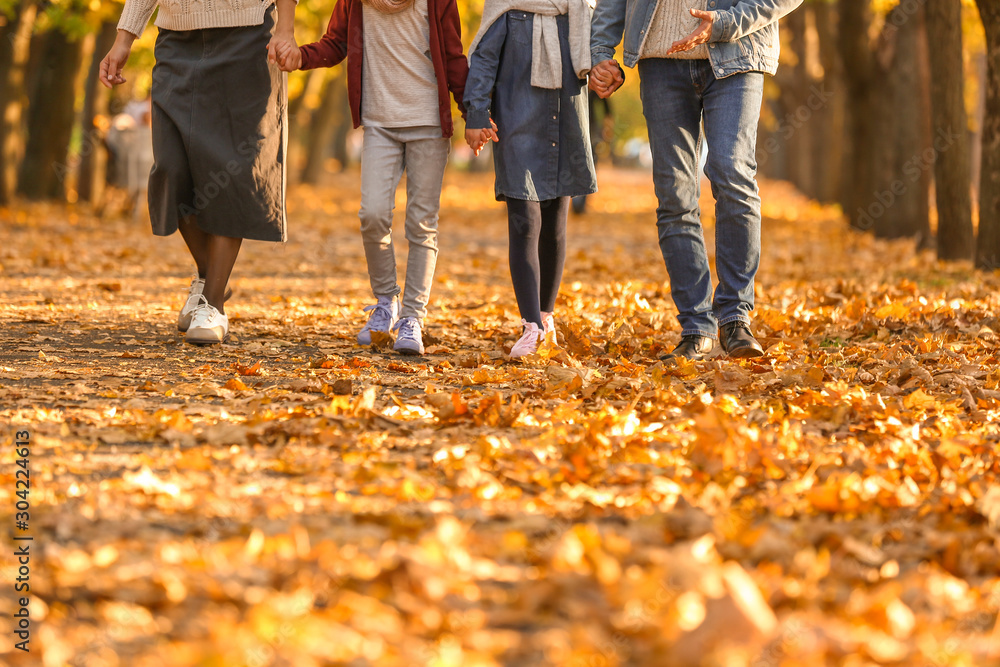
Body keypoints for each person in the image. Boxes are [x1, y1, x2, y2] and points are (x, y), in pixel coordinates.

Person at [590, 0, 801, 360]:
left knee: (732, 173)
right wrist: (599, 51)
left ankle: (736, 316)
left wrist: (725, 23)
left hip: (738, 52)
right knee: (674, 193)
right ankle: (696, 327)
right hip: (660, 60)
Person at [275, 0, 468, 356]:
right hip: (379, 122)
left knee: (421, 223)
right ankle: (386, 301)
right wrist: (300, 58)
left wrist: (473, 113)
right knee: (373, 215)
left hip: (428, 122)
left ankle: (412, 318)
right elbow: (336, 43)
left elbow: (453, 56)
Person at [100, 0, 297, 345]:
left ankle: (214, 303)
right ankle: (210, 277)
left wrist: (286, 29)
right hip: (176, 41)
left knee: (229, 171)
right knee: (171, 168)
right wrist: (123, 40)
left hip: (247, 39)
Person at [464, 0, 598, 358]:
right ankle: (530, 326)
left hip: (566, 120)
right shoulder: (506, 6)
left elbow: (601, 52)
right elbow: (483, 58)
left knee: (555, 224)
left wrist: (610, 71)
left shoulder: (581, 6)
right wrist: (476, 113)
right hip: (518, 124)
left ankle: (545, 317)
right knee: (526, 221)